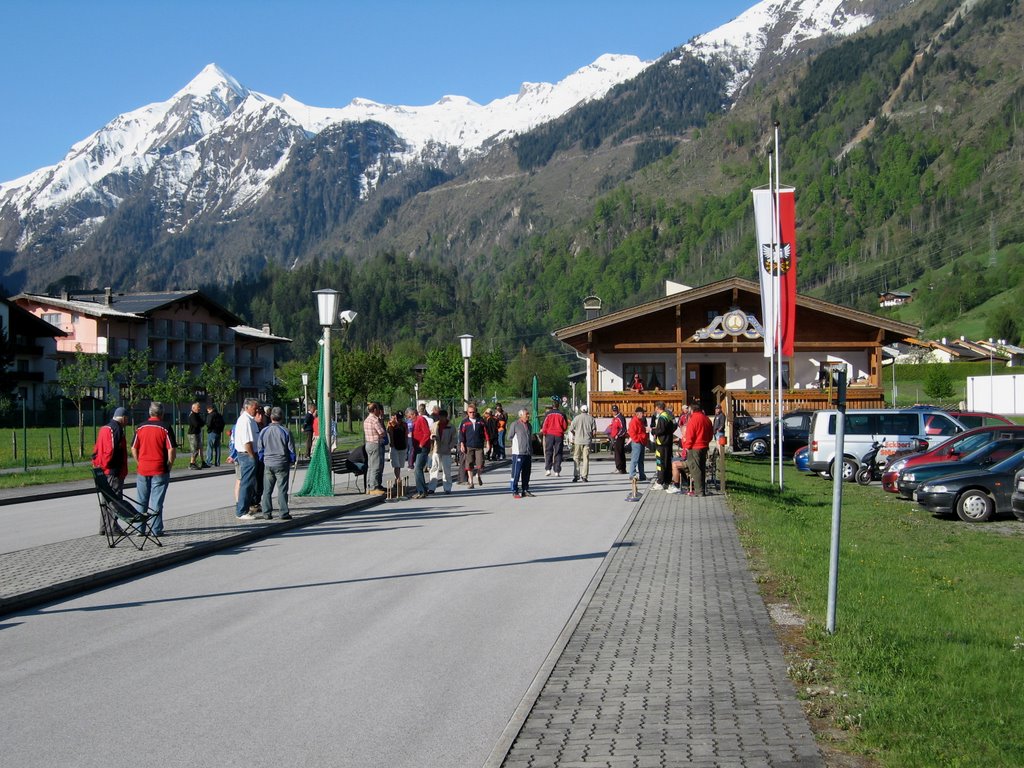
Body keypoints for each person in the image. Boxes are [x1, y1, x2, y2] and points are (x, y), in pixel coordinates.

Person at [131, 401, 176, 535]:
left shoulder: (140, 427)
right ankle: (156, 530)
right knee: (156, 501)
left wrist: (138, 461)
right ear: (161, 413)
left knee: (141, 500)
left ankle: (140, 528)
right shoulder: (165, 427)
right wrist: (170, 464)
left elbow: (133, 447)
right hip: (159, 468)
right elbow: (171, 449)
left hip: (143, 468)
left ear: (150, 412)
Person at [92, 406, 129, 534]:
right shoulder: (117, 429)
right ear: (123, 418)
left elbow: (97, 448)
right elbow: (111, 450)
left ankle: (104, 527)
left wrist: (97, 463)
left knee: (106, 499)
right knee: (114, 499)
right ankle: (112, 527)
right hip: (113, 470)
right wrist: (111, 465)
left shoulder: (104, 428)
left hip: (103, 469)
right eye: (127, 419)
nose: (127, 422)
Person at [257, 406, 296, 519]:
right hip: (282, 463)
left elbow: (260, 449)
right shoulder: (285, 431)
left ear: (271, 417)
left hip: (268, 463)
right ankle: (283, 512)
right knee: (282, 489)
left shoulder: (264, 431)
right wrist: (292, 460)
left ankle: (266, 513)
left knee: (267, 490)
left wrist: (263, 459)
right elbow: (291, 450)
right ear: (282, 417)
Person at [233, 398, 261, 519]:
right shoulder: (245, 421)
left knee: (250, 484)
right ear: (247, 407)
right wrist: (252, 456)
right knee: (246, 483)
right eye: (255, 408)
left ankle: (245, 508)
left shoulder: (251, 420)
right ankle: (242, 511)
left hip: (249, 454)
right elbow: (247, 442)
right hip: (247, 455)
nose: (257, 410)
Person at [682, 401, 714, 497]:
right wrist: (706, 442)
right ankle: (702, 489)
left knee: (695, 469)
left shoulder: (693, 419)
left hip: (694, 447)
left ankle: (698, 491)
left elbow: (690, 435)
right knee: (701, 468)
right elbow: (710, 434)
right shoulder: (706, 419)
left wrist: (687, 446)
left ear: (692, 410)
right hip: (704, 446)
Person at [459, 403, 489, 488]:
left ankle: (478, 475)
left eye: (473, 412)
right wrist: (462, 444)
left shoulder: (481, 421)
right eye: (470, 412)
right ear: (467, 413)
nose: (472, 414)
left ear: (476, 412)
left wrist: (488, 442)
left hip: (479, 446)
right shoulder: (465, 422)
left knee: (480, 464)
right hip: (469, 446)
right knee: (469, 465)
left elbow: (485, 432)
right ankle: (471, 482)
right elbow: (461, 434)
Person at [509, 408, 535, 498]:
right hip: (518, 453)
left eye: (528, 414)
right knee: (516, 472)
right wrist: (513, 446)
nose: (528, 415)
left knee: (527, 472)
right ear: (521, 415)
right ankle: (514, 490)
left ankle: (525, 490)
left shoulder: (529, 425)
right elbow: (510, 436)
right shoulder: (515, 424)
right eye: (526, 414)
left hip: (527, 453)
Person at [650, 401, 676, 490]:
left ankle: (660, 482)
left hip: (662, 443)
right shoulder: (668, 415)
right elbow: (673, 426)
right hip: (668, 442)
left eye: (655, 408)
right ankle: (667, 481)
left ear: (657, 408)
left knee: (660, 463)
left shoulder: (662, 417)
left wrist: (653, 430)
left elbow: (660, 430)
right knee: (667, 463)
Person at [568, 405, 597, 482]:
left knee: (576, 458)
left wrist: (575, 434)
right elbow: (594, 432)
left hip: (578, 441)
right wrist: (591, 437)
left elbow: (571, 429)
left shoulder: (576, 418)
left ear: (581, 410)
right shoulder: (591, 419)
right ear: (587, 410)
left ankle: (576, 475)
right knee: (586, 459)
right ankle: (584, 476)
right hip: (587, 441)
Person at [430, 409, 457, 494]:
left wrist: (450, 446)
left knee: (447, 470)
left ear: (446, 417)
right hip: (436, 449)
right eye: (439, 417)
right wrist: (432, 437)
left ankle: (447, 487)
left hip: (446, 450)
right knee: (434, 468)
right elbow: (430, 433)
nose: (441, 419)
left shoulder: (451, 426)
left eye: (442, 417)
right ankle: (431, 487)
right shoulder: (434, 425)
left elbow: (454, 438)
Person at [363, 402, 387, 496]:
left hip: (368, 443)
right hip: (375, 443)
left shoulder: (366, 420)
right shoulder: (375, 420)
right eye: (377, 409)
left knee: (370, 466)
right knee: (376, 466)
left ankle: (369, 487)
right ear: (375, 410)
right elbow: (382, 433)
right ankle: (374, 487)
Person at [409, 406, 432, 499]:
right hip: (417, 448)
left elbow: (427, 433)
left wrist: (421, 444)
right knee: (418, 469)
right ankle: (423, 490)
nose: (409, 419)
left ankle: (421, 491)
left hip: (422, 448)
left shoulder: (421, 419)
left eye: (409, 417)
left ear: (414, 414)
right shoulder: (415, 421)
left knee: (418, 468)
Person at [540, 402, 568, 477]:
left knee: (548, 451)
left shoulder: (548, 414)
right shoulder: (562, 414)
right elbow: (565, 426)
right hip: (559, 435)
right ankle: (557, 471)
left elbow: (544, 425)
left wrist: (544, 432)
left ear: (552, 406)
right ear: (558, 406)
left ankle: (548, 469)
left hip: (549, 435)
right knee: (558, 452)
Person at [386, 411, 408, 487]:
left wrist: (406, 445)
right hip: (394, 447)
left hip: (402, 446)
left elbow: (406, 435)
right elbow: (389, 433)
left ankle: (397, 479)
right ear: (395, 417)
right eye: (398, 418)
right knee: (396, 465)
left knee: (400, 465)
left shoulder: (404, 424)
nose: (399, 420)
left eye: (400, 418)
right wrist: (391, 444)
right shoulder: (391, 424)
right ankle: (398, 479)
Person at [627, 406, 648, 482]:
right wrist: (638, 439)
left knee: (641, 460)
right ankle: (632, 475)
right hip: (637, 442)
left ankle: (642, 475)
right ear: (638, 414)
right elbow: (632, 433)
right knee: (635, 459)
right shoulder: (634, 421)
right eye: (642, 413)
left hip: (641, 442)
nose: (643, 415)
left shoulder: (640, 421)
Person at [608, 404, 628, 473]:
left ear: (617, 410)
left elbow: (623, 428)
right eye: (613, 411)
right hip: (615, 437)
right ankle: (621, 468)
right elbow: (613, 427)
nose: (614, 412)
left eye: (615, 410)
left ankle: (620, 468)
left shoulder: (620, 417)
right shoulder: (614, 418)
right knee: (618, 453)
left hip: (619, 437)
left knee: (619, 453)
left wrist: (618, 435)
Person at [187, 401, 207, 469]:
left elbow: (202, 422)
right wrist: (200, 423)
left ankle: (194, 462)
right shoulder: (192, 415)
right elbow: (196, 424)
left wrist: (201, 423)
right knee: (194, 449)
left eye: (199, 407)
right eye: (198, 407)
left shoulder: (197, 415)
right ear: (193, 408)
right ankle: (192, 463)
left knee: (198, 448)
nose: (199, 408)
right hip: (193, 434)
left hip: (197, 433)